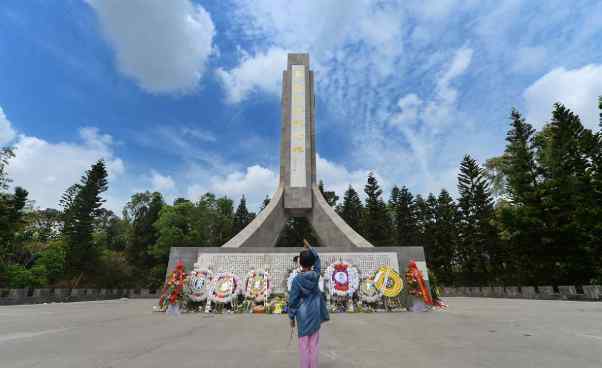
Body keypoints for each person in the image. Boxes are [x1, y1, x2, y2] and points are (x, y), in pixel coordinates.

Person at [288, 240, 329, 368]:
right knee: (314, 345)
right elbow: (317, 259)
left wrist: (291, 317)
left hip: (303, 315)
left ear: (300, 263)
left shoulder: (297, 280)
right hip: (315, 313)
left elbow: (293, 301)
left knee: (303, 346)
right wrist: (310, 247)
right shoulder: (316, 275)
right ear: (311, 263)